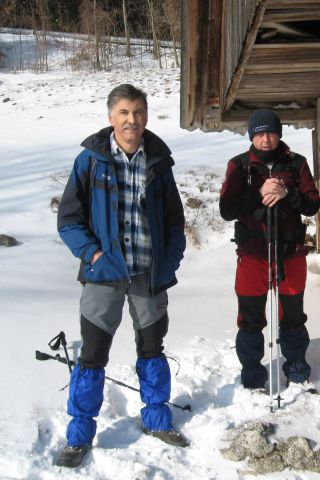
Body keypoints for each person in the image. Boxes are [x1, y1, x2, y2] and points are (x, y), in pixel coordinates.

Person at [54, 84, 188, 468]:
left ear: (146, 117)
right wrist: (94, 253)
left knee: (152, 349)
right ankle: (79, 435)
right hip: (103, 276)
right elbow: (68, 220)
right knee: (93, 355)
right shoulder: (90, 161)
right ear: (111, 118)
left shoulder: (160, 162)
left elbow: (175, 222)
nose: (132, 120)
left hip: (149, 274)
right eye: (125, 113)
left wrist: (170, 260)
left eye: (139, 113)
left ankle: (158, 421)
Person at [219, 109, 320, 390]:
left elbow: (313, 204)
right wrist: (258, 192)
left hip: (290, 253)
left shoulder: (296, 163)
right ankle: (252, 378)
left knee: (293, 315)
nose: (266, 139)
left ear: (279, 133)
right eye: (260, 133)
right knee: (250, 318)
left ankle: (298, 371)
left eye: (271, 132)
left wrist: (287, 193)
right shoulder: (239, 166)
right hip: (253, 254)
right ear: (252, 136)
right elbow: (226, 209)